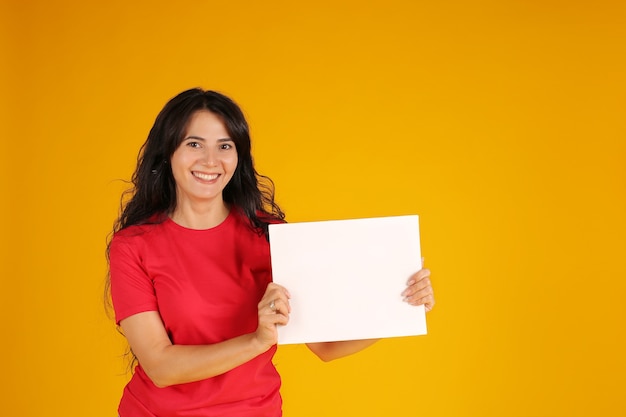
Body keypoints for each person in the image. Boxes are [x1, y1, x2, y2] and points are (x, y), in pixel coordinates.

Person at [106, 88, 435, 417]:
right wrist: (256, 341)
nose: (210, 161)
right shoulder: (133, 246)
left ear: (239, 156)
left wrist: (401, 305)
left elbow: (326, 347)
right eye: (194, 144)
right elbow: (161, 368)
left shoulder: (269, 235)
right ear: (168, 151)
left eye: (225, 146)